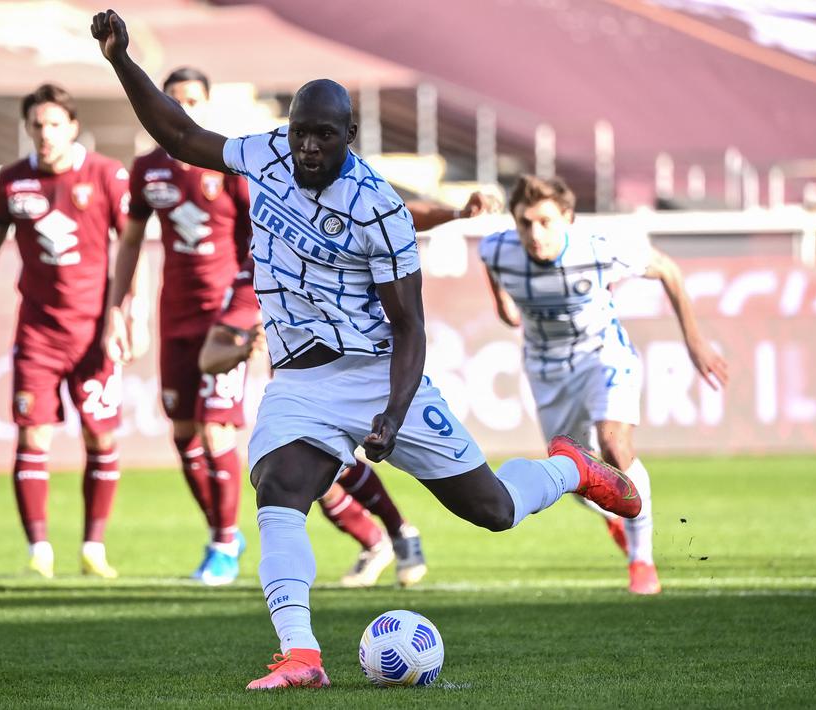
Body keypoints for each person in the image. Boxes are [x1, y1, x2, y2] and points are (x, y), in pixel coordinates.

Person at [92, 9, 640, 690]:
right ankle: (301, 655)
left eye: (324, 135)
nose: (309, 148)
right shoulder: (264, 154)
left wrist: (391, 410)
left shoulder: (377, 207)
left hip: (379, 377)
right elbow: (179, 133)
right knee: (280, 488)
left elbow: (408, 327)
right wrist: (119, 59)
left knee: (493, 511)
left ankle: (567, 469)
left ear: (348, 135)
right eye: (301, 134)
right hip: (297, 380)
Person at [478, 175, 730, 595]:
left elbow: (667, 268)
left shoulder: (597, 247)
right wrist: (505, 307)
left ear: (568, 219)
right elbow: (499, 286)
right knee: (573, 473)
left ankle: (642, 561)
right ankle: (615, 519)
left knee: (615, 445)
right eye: (525, 223)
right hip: (547, 370)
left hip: (603, 355)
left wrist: (695, 340)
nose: (534, 234)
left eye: (545, 221)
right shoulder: (498, 250)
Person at [0, 83, 131, 579]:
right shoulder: (12, 182)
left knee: (100, 439)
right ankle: (40, 550)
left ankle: (93, 547)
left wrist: (126, 314)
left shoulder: (105, 174)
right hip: (37, 333)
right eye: (37, 125)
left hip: (96, 334)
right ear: (27, 127)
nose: (45, 133)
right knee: (32, 437)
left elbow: (132, 247)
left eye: (55, 124)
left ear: (73, 126)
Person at [101, 67, 254, 586]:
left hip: (225, 317)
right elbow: (129, 241)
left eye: (193, 99)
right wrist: (117, 306)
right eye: (174, 99)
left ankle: (224, 544)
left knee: (215, 431)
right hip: (176, 316)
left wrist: (253, 319)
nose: (184, 107)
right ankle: (223, 532)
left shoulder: (231, 164)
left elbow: (258, 246)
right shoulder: (147, 169)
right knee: (184, 434)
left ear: (208, 105)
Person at [198, 256, 436, 588]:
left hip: (356, 375)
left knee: (326, 472)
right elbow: (209, 358)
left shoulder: (335, 250)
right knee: (318, 476)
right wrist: (243, 349)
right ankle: (389, 537)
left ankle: (389, 536)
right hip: (298, 394)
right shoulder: (257, 272)